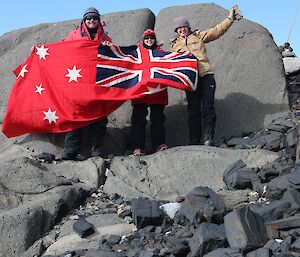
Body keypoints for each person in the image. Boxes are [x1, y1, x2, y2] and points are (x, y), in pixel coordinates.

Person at [171, 6, 241, 146]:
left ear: (188, 27)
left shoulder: (198, 36)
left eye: (184, 27)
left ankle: (208, 138)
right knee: (193, 112)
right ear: (176, 31)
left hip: (206, 75)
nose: (182, 30)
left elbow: (216, 31)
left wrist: (230, 19)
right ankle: (194, 140)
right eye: (179, 28)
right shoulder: (174, 46)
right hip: (190, 80)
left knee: (208, 108)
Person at [62, 7, 112, 160]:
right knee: (75, 115)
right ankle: (71, 151)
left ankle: (96, 150)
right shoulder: (74, 35)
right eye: (88, 18)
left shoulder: (105, 38)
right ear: (84, 20)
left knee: (99, 116)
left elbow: (112, 58)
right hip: (78, 82)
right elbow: (61, 49)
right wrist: (40, 50)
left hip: (97, 82)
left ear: (98, 20)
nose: (91, 20)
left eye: (94, 18)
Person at [130, 29, 168, 156]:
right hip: (140, 91)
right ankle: (138, 147)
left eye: (152, 38)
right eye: (147, 38)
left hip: (157, 90)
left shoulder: (160, 52)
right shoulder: (136, 52)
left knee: (158, 119)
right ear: (143, 39)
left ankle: (158, 145)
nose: (149, 40)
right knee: (138, 120)